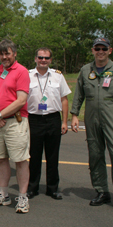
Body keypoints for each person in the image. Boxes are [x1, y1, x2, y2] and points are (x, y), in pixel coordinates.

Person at [71, 38, 113, 214]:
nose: (100, 51)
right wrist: (74, 114)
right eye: (97, 48)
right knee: (95, 155)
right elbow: (79, 94)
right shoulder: (85, 70)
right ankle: (102, 191)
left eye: (104, 48)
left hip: (112, 118)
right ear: (93, 50)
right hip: (92, 119)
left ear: (110, 50)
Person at [0, 40, 31, 213]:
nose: (4, 57)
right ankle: (3, 194)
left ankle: (22, 197)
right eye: (1, 54)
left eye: (7, 53)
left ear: (14, 54)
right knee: (1, 159)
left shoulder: (22, 72)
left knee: (20, 160)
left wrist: (0, 115)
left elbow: (21, 100)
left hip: (15, 122)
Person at [27, 48, 71, 200]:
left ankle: (52, 189)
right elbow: (22, 99)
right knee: (34, 156)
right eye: (40, 57)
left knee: (53, 156)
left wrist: (65, 121)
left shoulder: (58, 77)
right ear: (35, 59)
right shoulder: (28, 76)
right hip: (34, 119)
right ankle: (32, 188)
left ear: (51, 60)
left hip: (53, 119)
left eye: (46, 58)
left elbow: (64, 99)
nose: (43, 60)